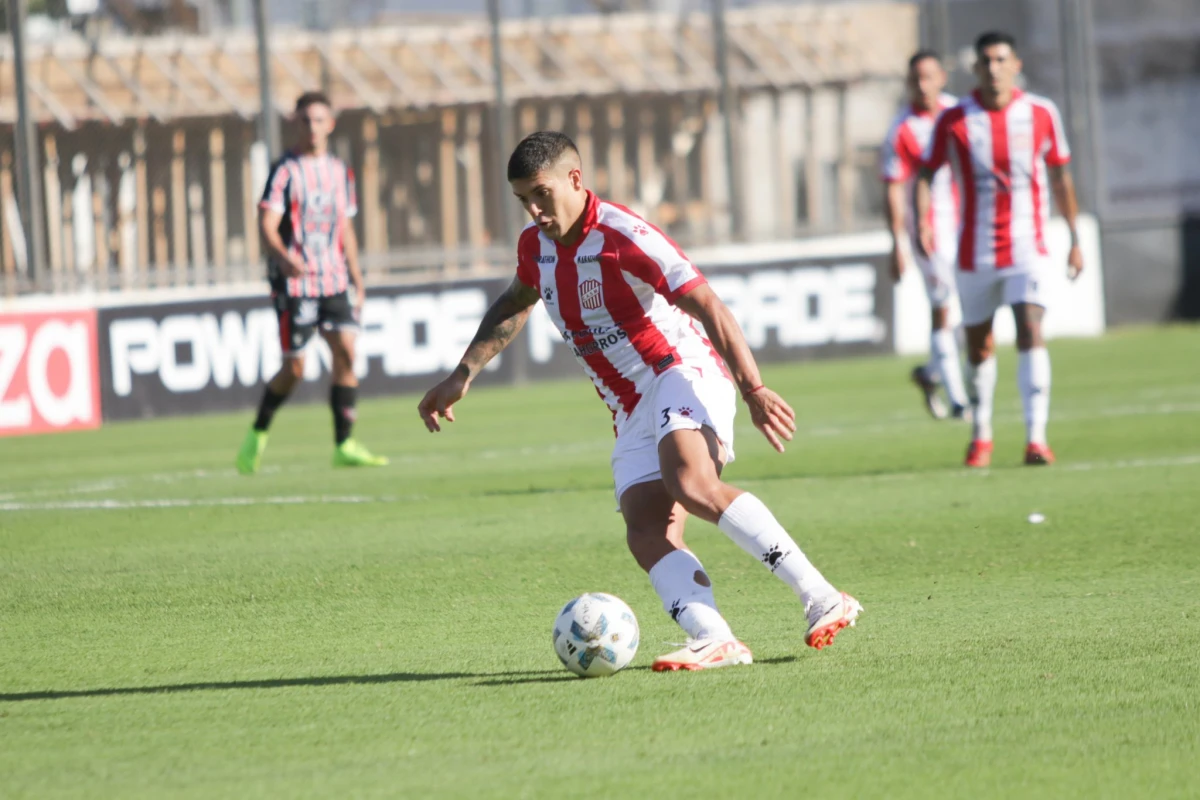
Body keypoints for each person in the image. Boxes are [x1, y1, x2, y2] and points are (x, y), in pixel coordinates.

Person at [418, 132, 862, 671]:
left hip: (680, 371)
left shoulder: (624, 235)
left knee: (691, 483)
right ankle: (715, 636)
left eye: (541, 194)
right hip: (628, 405)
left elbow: (707, 304)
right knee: (646, 526)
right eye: (522, 200)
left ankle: (820, 595)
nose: (534, 211)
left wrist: (753, 387)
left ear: (574, 180)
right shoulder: (535, 249)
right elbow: (515, 301)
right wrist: (463, 373)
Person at [917, 31, 1083, 467]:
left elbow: (1062, 177)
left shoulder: (1042, 113)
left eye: (1000, 59)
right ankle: (982, 432)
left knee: (1030, 330)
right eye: (985, 61)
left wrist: (1075, 238)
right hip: (974, 253)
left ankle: (1036, 438)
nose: (993, 68)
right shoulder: (954, 119)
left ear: (1016, 64)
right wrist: (922, 222)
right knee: (979, 347)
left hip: (1029, 247)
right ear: (975, 69)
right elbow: (925, 172)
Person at [235, 91, 388, 474]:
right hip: (296, 285)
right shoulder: (284, 170)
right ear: (296, 124)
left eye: (320, 120)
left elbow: (345, 228)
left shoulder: (340, 171)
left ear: (331, 124)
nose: (313, 127)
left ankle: (345, 443)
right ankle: (258, 432)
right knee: (295, 370)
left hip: (334, 279)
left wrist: (356, 275)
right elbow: (266, 223)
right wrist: (285, 258)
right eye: (305, 120)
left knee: (347, 353)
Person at [881, 50, 970, 421]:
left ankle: (931, 373)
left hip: (969, 227)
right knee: (943, 307)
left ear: (942, 78)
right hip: (928, 233)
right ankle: (960, 400)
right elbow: (894, 189)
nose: (923, 85)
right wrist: (898, 242)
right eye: (916, 78)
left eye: (929, 76)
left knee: (976, 312)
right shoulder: (901, 129)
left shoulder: (960, 114)